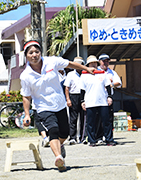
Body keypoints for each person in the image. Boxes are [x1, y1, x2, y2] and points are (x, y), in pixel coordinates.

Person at [20, 40, 94, 172]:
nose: (34, 55)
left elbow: (69, 63)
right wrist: (26, 114)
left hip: (59, 104)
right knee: (53, 129)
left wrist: (86, 69)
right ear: (26, 56)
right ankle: (59, 158)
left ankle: (59, 145)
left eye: (36, 51)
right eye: (31, 53)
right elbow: (26, 96)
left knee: (64, 133)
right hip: (42, 107)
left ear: (40, 52)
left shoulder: (51, 62)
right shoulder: (25, 76)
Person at [80, 57, 116, 147]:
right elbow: (82, 90)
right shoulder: (84, 75)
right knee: (91, 122)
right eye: (91, 63)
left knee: (106, 122)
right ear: (88, 65)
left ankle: (109, 139)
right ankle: (92, 140)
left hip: (102, 101)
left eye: (95, 63)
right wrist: (82, 101)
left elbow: (108, 86)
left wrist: (109, 97)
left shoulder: (102, 74)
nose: (93, 65)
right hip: (90, 101)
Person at [98, 53, 122, 142]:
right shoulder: (96, 71)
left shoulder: (112, 72)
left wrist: (110, 84)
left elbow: (119, 83)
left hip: (108, 97)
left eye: (107, 61)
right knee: (99, 118)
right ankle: (99, 136)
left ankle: (107, 136)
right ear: (99, 62)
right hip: (98, 97)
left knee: (108, 118)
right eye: (104, 61)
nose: (105, 63)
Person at [64, 57, 85, 145]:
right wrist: (68, 99)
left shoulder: (85, 74)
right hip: (73, 95)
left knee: (83, 117)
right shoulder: (71, 74)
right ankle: (72, 137)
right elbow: (67, 88)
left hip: (83, 95)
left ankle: (82, 137)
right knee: (73, 118)